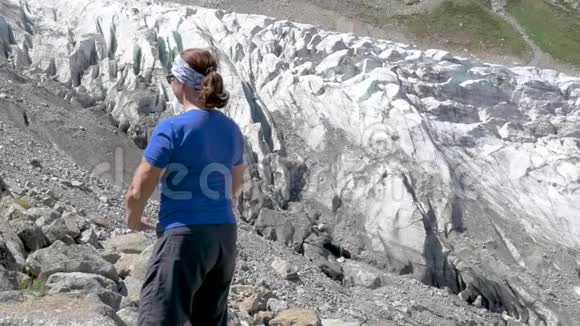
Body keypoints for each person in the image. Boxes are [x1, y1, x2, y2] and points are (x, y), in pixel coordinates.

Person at [125, 48, 246, 326]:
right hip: (224, 237)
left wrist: (133, 218)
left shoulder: (172, 129)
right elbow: (235, 186)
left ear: (180, 82)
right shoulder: (232, 130)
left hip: (184, 236)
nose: (169, 83)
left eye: (170, 76)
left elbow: (138, 187)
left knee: (159, 318)